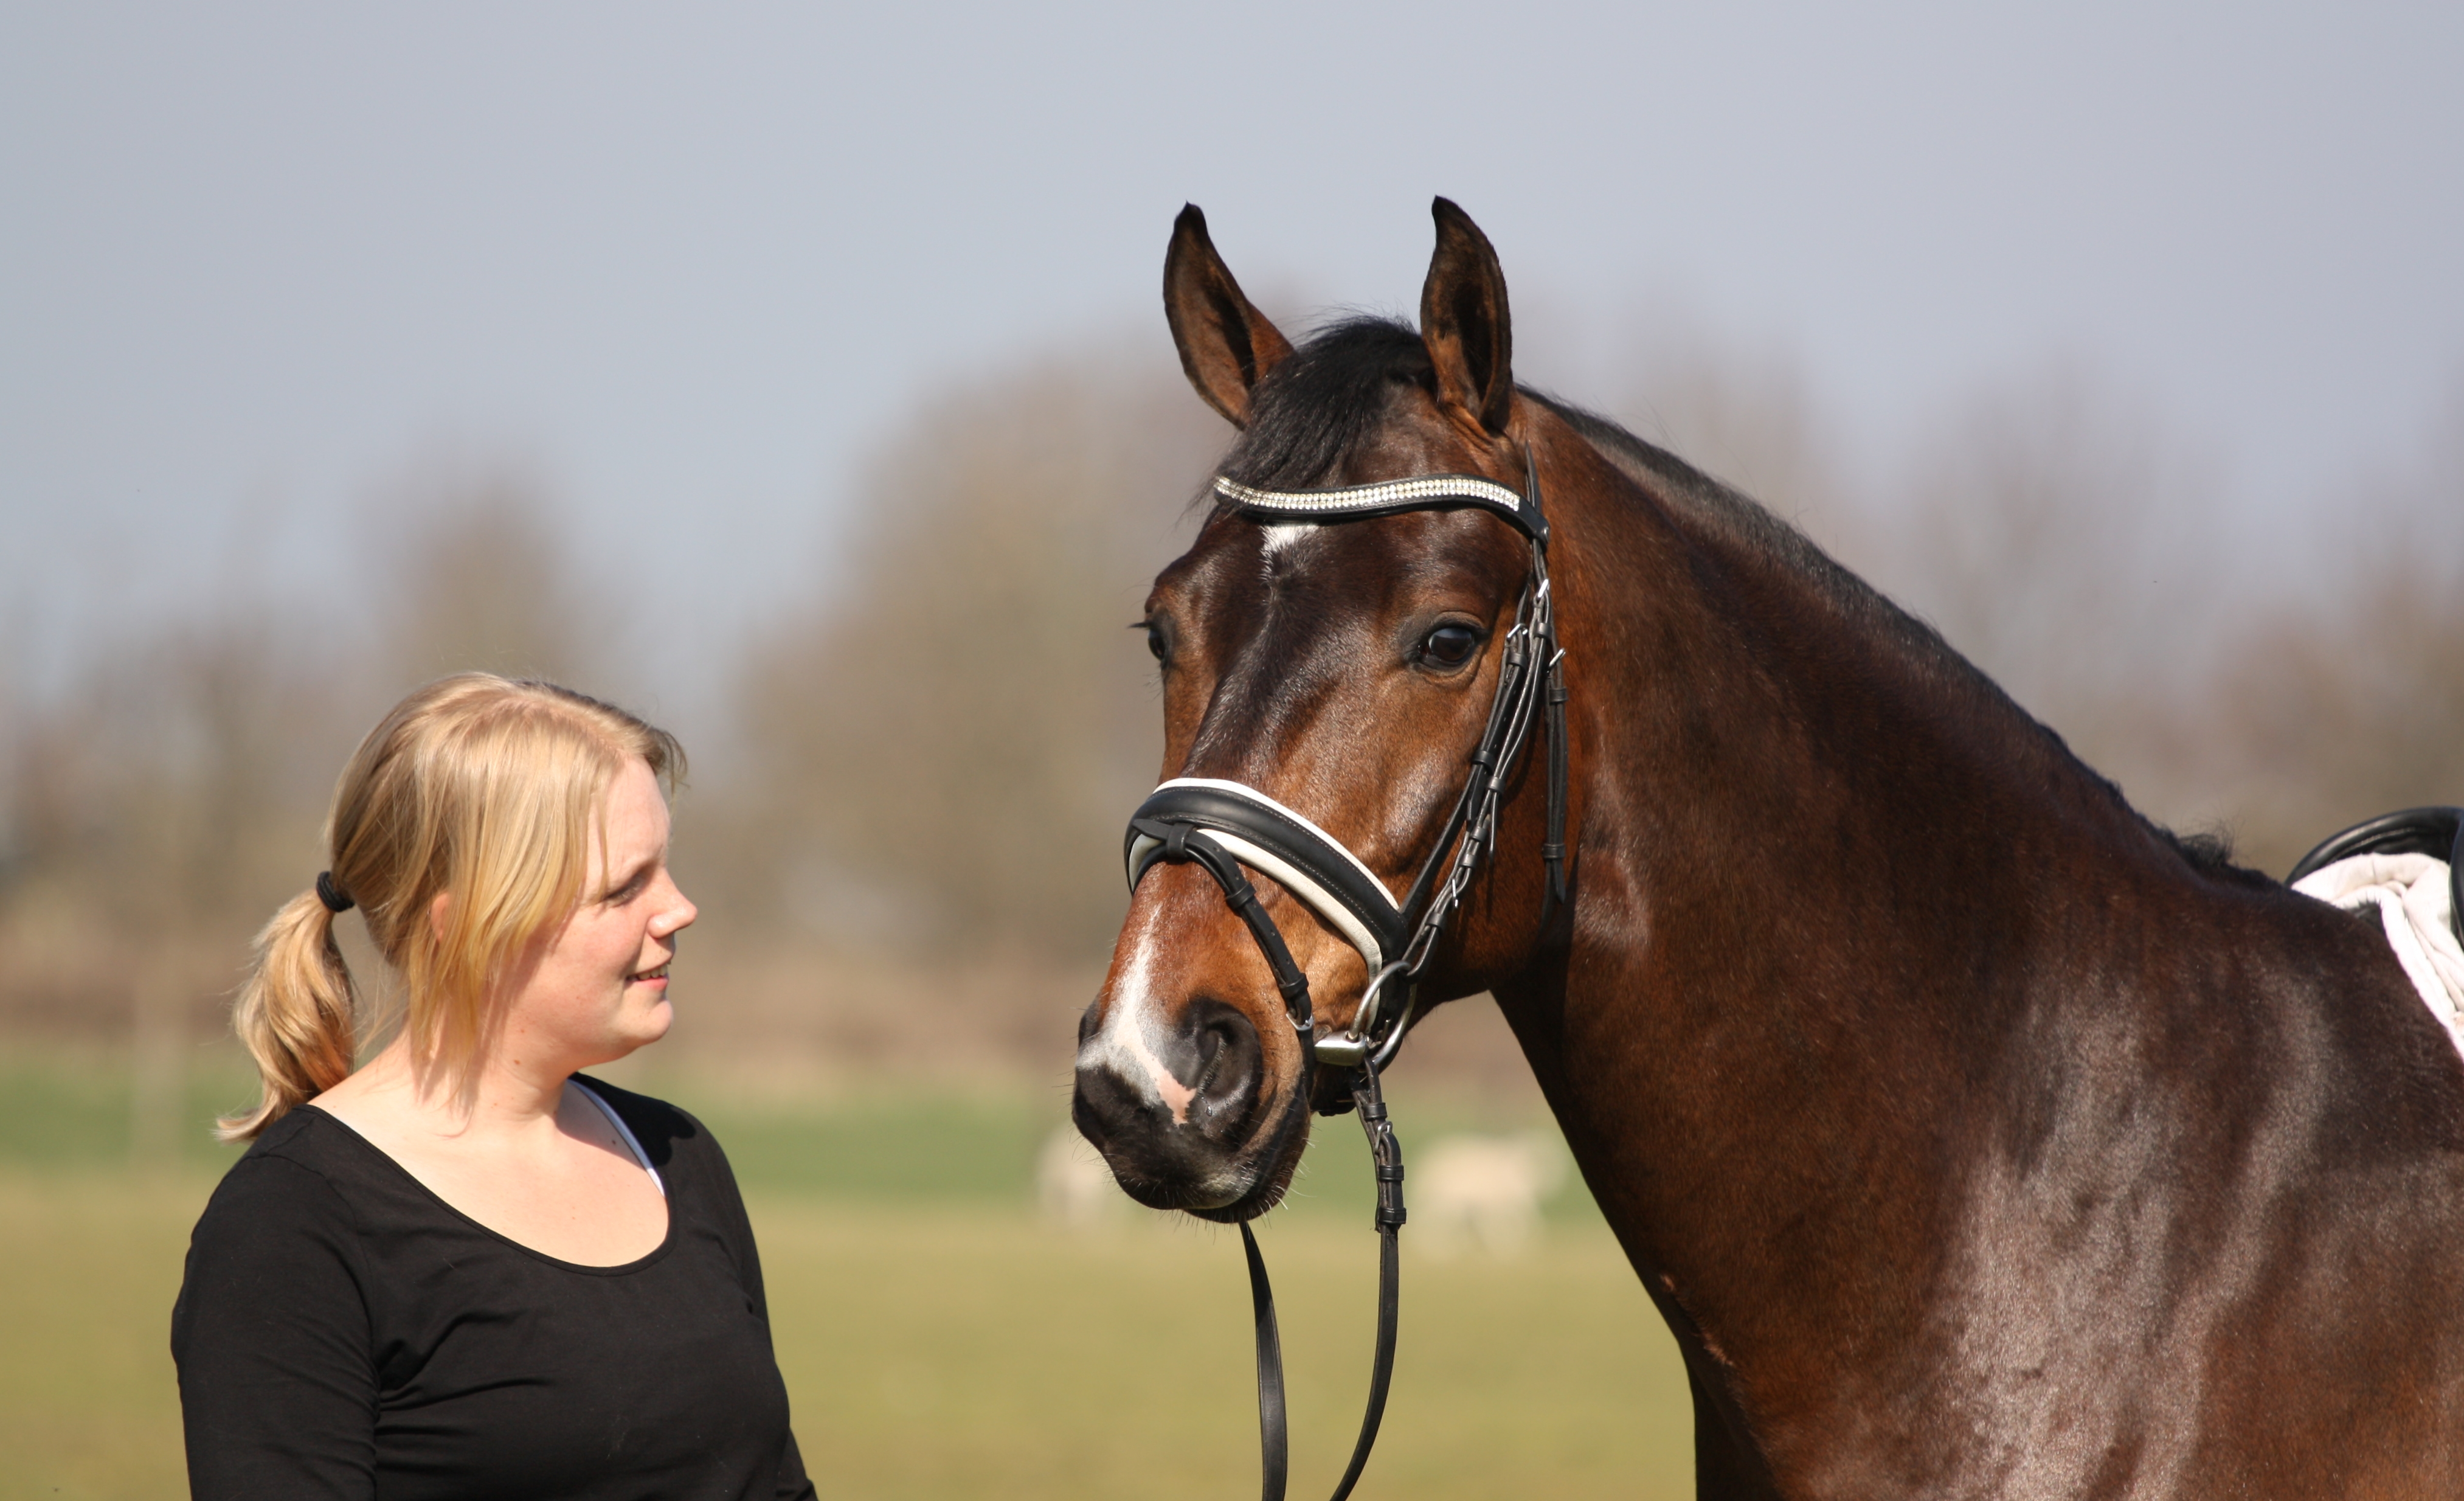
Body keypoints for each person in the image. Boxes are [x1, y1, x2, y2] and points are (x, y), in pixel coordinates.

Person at [171, 674, 815, 1500]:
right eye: (625, 886)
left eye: (666, 869)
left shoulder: (675, 1157)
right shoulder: (292, 1224)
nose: (679, 909)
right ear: (469, 924)